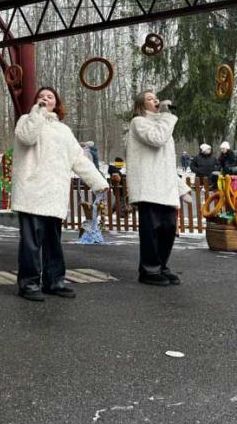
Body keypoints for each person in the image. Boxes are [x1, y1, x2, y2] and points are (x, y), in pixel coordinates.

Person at [11, 87, 108, 301]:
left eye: (50, 97)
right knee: (31, 241)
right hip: (31, 190)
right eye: (41, 96)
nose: (45, 99)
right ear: (35, 101)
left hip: (54, 192)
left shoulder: (64, 131)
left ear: (57, 103)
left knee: (53, 240)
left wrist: (98, 181)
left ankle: (54, 281)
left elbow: (78, 159)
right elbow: (27, 138)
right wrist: (38, 112)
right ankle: (28, 283)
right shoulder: (26, 120)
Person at [126, 91, 190, 286]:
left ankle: (161, 265)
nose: (156, 100)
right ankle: (149, 269)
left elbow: (167, 163)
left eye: (156, 98)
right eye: (150, 99)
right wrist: (167, 116)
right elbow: (157, 139)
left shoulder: (164, 124)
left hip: (166, 188)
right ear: (140, 106)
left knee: (168, 229)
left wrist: (181, 188)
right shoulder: (139, 123)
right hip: (148, 187)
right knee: (151, 231)